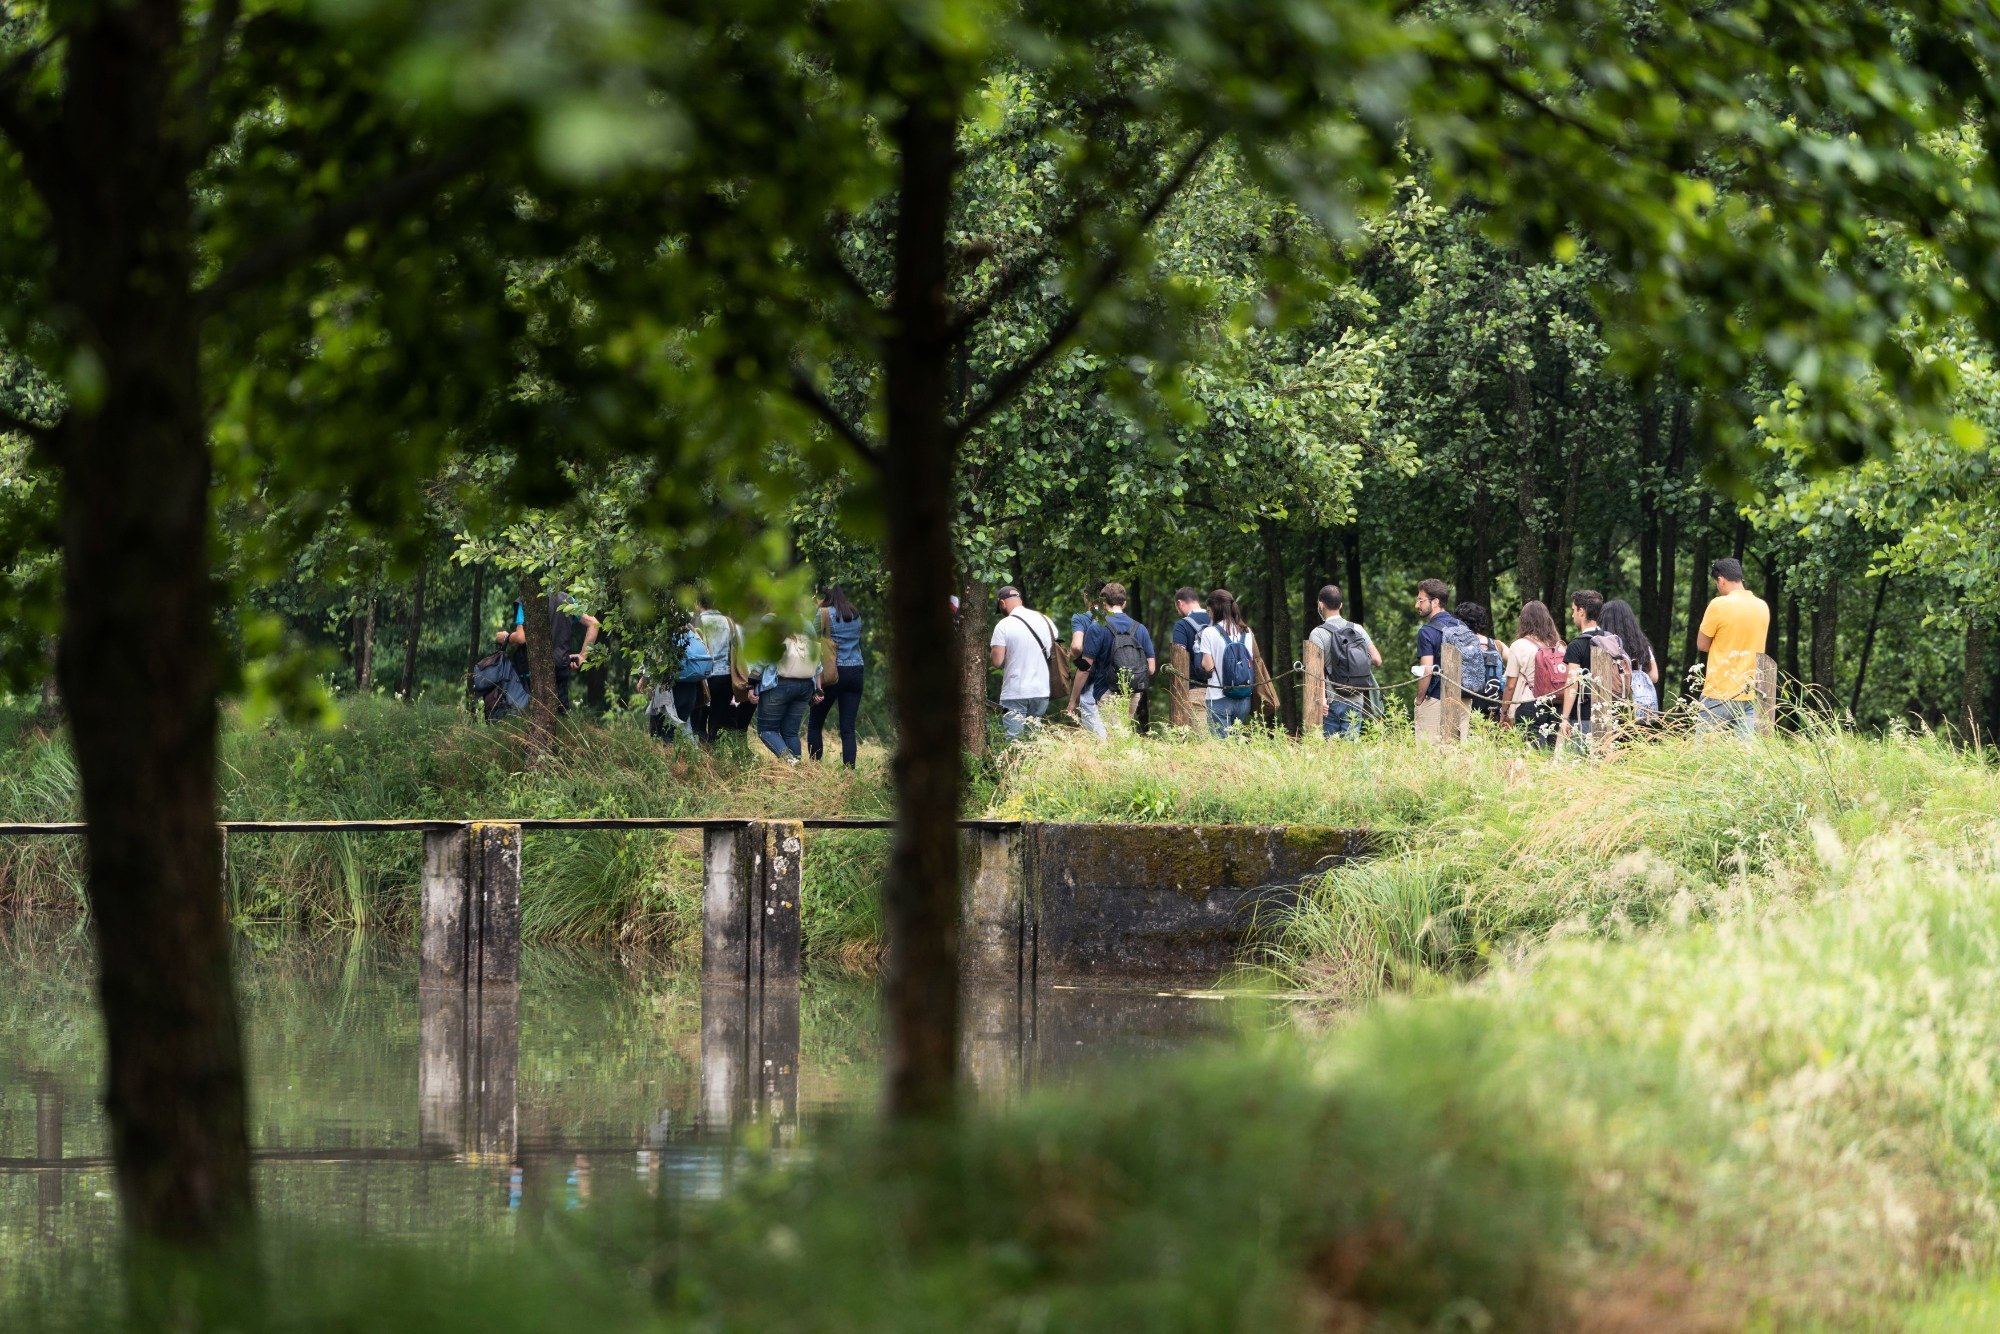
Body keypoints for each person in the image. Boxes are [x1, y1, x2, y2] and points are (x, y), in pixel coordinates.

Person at [1067, 582, 1157, 739]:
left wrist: (1073, 700)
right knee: (1120, 736)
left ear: (1103, 601)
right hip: (1133, 692)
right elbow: (1151, 669)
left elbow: (1085, 668)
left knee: (1112, 740)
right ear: (1125, 603)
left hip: (1107, 691)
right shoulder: (1140, 628)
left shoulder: (1097, 627)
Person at [1695, 558, 1772, 735]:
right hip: (1750, 693)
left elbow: (1702, 644)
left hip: (1718, 691)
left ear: (1721, 580)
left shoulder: (1718, 604)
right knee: (1743, 757)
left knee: (1703, 755)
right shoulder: (1762, 607)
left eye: (1717, 583)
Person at [497, 587, 600, 713]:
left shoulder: (527, 599)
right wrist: (583, 656)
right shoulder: (568, 600)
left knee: (531, 714)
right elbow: (594, 624)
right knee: (560, 716)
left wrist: (506, 637)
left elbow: (521, 638)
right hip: (560, 665)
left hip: (533, 668)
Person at [1556, 589, 1629, 747]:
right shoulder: (1611, 641)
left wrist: (1564, 718)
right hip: (1609, 713)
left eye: (1573, 610)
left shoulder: (1576, 645)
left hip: (1583, 716)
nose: (1572, 615)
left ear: (1582, 611)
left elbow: (1572, 684)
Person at [1307, 584, 1379, 740]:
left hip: (1332, 700)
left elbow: (1316, 671)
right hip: (1357, 698)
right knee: (1351, 750)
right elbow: (1377, 659)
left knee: (1331, 753)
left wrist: (1322, 700)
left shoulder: (1317, 634)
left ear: (1320, 604)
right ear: (1341, 605)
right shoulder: (1357, 629)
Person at [748, 616, 822, 762]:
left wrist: (751, 686)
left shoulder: (770, 620)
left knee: (766, 730)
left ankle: (790, 762)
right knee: (791, 733)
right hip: (805, 685)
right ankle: (797, 770)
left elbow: (763, 658)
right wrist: (818, 689)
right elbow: (817, 662)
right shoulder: (807, 623)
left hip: (779, 684)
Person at [989, 585, 1058, 740]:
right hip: (1041, 690)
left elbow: (997, 661)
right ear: (1020, 599)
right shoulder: (1046, 620)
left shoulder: (1003, 625)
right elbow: (1056, 649)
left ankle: (1016, 764)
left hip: (1015, 691)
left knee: (1014, 741)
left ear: (1002, 604)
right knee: (1033, 740)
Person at [808, 585, 865, 767]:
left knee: (815, 723)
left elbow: (811, 637)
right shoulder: (855, 614)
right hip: (856, 671)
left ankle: (814, 769)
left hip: (833, 673)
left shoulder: (824, 613)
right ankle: (849, 773)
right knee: (848, 728)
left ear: (827, 596)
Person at [1412, 578, 1472, 742]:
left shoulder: (1426, 632)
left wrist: (1419, 700)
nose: (1417, 605)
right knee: (1458, 754)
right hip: (1463, 699)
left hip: (1436, 699)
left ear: (1436, 602)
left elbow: (1426, 671)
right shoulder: (1462, 626)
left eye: (1420, 600)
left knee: (1428, 754)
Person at [1197, 588, 1258, 738]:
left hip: (1218, 697)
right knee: (1237, 742)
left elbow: (1208, 666)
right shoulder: (1247, 631)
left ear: (1215, 609)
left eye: (1208, 610)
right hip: (1243, 697)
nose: (1208, 613)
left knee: (1221, 749)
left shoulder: (1209, 633)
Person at [1504, 599, 1566, 746]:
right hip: (1556, 704)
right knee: (1549, 752)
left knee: (1531, 753)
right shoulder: (1558, 646)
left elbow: (1510, 685)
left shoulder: (1518, 646)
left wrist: (1504, 711)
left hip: (1529, 703)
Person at [1597, 599, 1661, 720]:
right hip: (1639, 709)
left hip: (1612, 707)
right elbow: (1654, 676)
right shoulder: (1642, 644)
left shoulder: (1603, 646)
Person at [694, 594, 744, 745]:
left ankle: (702, 757)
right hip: (726, 677)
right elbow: (735, 649)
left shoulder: (698, 621)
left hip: (705, 677)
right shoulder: (728, 621)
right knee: (717, 720)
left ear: (697, 602)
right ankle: (714, 754)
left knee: (699, 720)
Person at [1452, 601, 1509, 722]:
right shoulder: (1497, 645)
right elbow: (1517, 664)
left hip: (1466, 704)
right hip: (1493, 703)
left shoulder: (1457, 646)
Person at [1167, 586, 1211, 727]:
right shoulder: (1216, 621)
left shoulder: (1182, 625)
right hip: (1221, 688)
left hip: (1196, 690)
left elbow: (1179, 658)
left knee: (1201, 741)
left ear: (1180, 603)